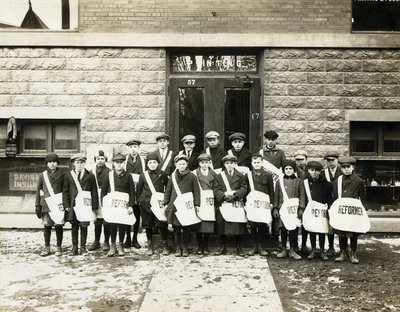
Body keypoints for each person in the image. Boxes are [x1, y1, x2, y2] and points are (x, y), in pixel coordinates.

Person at [164, 154, 201, 257]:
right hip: (174, 204)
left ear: (187, 164)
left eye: (184, 164)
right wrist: (166, 202)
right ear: (176, 164)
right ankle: (177, 247)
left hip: (186, 205)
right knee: (176, 227)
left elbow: (196, 191)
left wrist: (197, 204)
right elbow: (168, 190)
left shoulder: (192, 176)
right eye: (179, 164)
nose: (182, 166)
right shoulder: (172, 176)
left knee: (186, 227)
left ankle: (185, 247)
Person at [101, 153, 136, 257]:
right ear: (113, 164)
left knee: (122, 224)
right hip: (112, 205)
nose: (119, 165)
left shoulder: (128, 176)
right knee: (112, 224)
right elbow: (103, 191)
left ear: (124, 164)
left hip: (123, 206)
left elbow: (132, 192)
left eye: (121, 163)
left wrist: (131, 206)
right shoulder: (109, 175)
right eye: (117, 163)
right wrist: (104, 204)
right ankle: (112, 245)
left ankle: (120, 244)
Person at [333, 157, 366, 264]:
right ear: (341, 169)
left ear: (353, 167)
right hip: (342, 211)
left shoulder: (359, 181)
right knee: (341, 231)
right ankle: (342, 252)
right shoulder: (338, 180)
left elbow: (363, 197)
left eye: (348, 167)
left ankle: (353, 253)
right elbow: (335, 196)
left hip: (353, 212)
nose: (346, 169)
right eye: (343, 167)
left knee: (353, 232)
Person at [64, 153, 99, 256]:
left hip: (85, 206)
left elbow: (94, 191)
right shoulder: (69, 175)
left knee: (84, 226)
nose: (79, 165)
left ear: (85, 163)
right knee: (74, 225)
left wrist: (94, 206)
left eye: (82, 162)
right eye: (77, 162)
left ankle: (83, 247)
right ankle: (74, 247)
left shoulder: (90, 175)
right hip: (73, 205)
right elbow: (65, 191)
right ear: (74, 163)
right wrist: (66, 205)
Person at [213, 154, 248, 257]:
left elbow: (244, 187)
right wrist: (223, 197)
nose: (229, 165)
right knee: (222, 225)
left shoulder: (240, 175)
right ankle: (222, 247)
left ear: (235, 164)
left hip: (236, 202)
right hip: (224, 202)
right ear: (224, 164)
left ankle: (239, 247)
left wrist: (236, 195)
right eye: (227, 163)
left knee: (238, 225)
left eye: (231, 163)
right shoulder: (219, 176)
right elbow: (216, 188)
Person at [136, 154, 169, 255]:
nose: (152, 164)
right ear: (147, 164)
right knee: (148, 225)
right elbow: (139, 190)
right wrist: (140, 201)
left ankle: (165, 245)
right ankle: (150, 246)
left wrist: (166, 202)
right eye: (150, 163)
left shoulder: (163, 174)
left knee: (161, 224)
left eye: (154, 162)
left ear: (158, 163)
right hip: (146, 204)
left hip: (159, 204)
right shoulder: (143, 175)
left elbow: (168, 188)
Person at [35, 153, 66, 256]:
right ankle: (47, 248)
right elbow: (38, 191)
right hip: (47, 205)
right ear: (47, 163)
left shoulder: (62, 174)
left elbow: (65, 191)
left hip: (58, 204)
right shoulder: (42, 175)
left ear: (57, 163)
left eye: (54, 162)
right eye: (50, 162)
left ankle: (59, 248)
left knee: (58, 226)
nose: (52, 164)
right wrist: (37, 205)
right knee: (47, 226)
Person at [273, 159, 305, 260]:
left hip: (293, 210)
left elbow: (302, 196)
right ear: (283, 170)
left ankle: (292, 249)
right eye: (286, 169)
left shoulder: (299, 181)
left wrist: (301, 208)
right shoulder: (280, 182)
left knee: (293, 229)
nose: (288, 170)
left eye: (290, 169)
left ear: (294, 170)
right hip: (283, 209)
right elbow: (276, 196)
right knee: (283, 229)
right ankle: (283, 249)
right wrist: (275, 208)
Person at [303, 161, 333, 260]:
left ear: (320, 172)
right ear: (309, 171)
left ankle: (322, 251)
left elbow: (329, 197)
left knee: (321, 230)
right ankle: (312, 250)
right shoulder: (306, 182)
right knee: (312, 229)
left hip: (322, 210)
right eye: (312, 170)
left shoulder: (326, 183)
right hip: (311, 209)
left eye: (317, 171)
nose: (314, 173)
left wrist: (329, 208)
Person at [245, 154, 274, 256]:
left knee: (262, 225)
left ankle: (261, 247)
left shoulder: (268, 175)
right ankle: (254, 247)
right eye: (254, 162)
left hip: (263, 204)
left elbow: (271, 190)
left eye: (258, 162)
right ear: (251, 163)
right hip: (252, 204)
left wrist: (272, 203)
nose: (256, 164)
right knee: (253, 225)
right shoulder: (248, 175)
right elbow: (246, 189)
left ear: (262, 162)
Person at [260, 130, 286, 243]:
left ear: (276, 140)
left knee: (276, 207)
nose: (270, 142)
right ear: (265, 140)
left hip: (276, 184)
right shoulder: (261, 153)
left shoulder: (280, 153)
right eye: (268, 139)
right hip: (265, 185)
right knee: (265, 208)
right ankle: (264, 234)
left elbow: (284, 167)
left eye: (273, 140)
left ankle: (276, 235)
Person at [192, 153, 217, 256]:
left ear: (209, 163)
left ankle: (206, 246)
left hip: (209, 201)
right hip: (199, 199)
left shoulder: (214, 174)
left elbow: (216, 187)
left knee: (207, 224)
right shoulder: (194, 174)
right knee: (198, 223)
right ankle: (200, 246)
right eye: (202, 163)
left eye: (206, 162)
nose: (204, 165)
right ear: (199, 163)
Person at [124, 139, 146, 249]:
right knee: (127, 214)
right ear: (128, 148)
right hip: (127, 192)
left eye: (135, 147)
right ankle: (127, 238)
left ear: (138, 148)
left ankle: (135, 239)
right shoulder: (124, 160)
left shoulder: (143, 161)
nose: (133, 149)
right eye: (131, 147)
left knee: (137, 215)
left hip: (138, 192)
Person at [88, 150, 112, 252]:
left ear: (105, 160)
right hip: (94, 196)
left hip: (105, 196)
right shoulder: (91, 171)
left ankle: (106, 241)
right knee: (97, 220)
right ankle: (96, 241)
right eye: (98, 159)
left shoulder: (110, 171)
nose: (100, 161)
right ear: (95, 160)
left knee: (106, 220)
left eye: (102, 159)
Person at [323, 151, 342, 258]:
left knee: (341, 225)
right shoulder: (323, 173)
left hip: (340, 202)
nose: (330, 163)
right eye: (328, 160)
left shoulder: (342, 171)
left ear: (337, 160)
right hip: (329, 202)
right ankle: (331, 247)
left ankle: (343, 248)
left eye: (333, 160)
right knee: (330, 225)